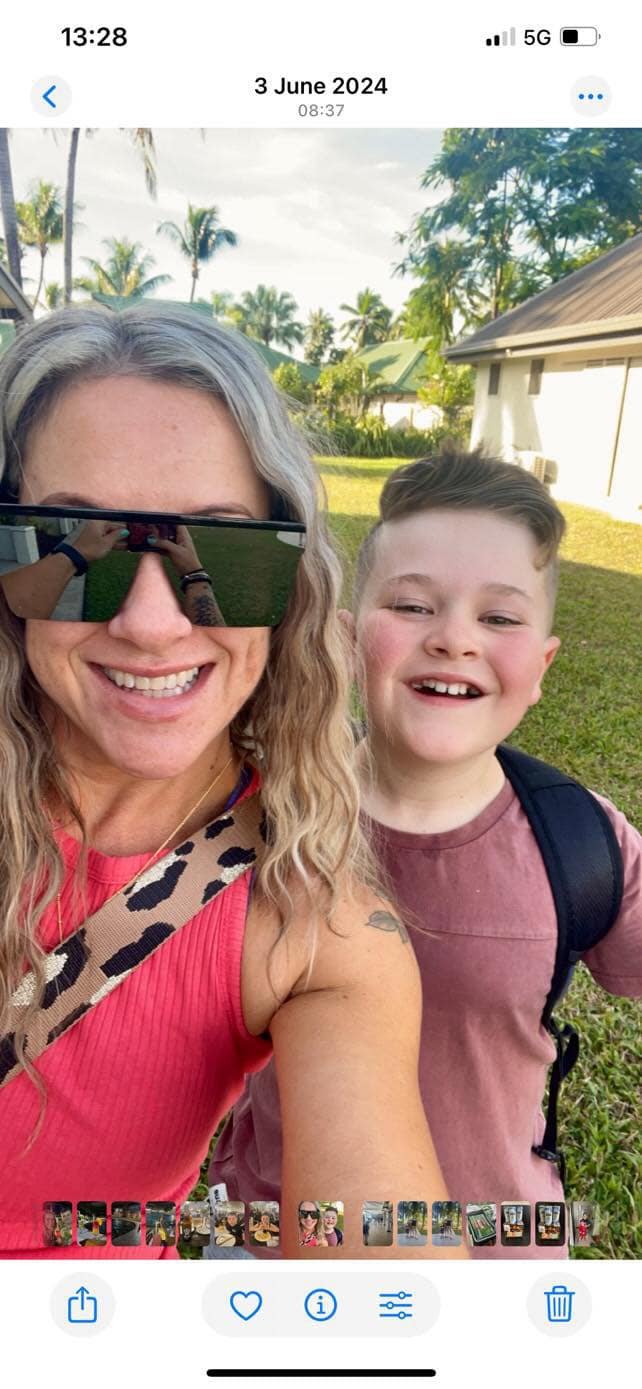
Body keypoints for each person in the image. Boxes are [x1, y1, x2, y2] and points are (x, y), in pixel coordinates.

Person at [0, 305, 458, 1261]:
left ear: (289, 585)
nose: (154, 623)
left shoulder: (316, 936)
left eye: (226, 550)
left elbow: (394, 1290)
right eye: (76, 546)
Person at [209, 448, 641, 1260]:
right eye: (412, 605)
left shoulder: (582, 842)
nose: (454, 640)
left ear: (542, 666)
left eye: (501, 618)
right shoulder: (249, 818)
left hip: (497, 1257)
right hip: (273, 1241)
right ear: (345, 639)